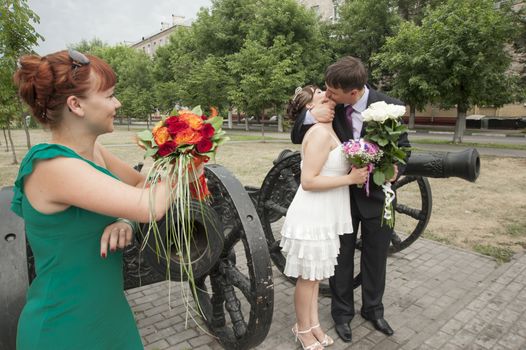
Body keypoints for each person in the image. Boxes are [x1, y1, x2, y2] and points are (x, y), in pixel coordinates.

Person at [11, 49, 202, 350]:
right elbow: (149, 204)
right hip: (63, 327)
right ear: (76, 105)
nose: (118, 103)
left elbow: (141, 184)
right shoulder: (51, 166)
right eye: (110, 95)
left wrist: (123, 218)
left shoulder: (94, 153)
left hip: (108, 315)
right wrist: (184, 150)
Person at [291, 57, 411, 343]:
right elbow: (298, 134)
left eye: (333, 92)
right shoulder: (331, 107)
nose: (328, 95)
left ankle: (373, 310)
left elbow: (404, 148)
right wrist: (311, 115)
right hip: (340, 198)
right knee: (340, 259)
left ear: (354, 93)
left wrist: (397, 169)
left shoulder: (387, 107)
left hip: (377, 199)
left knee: (376, 257)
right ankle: (342, 315)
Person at [281, 85, 369, 350]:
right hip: (313, 216)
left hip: (326, 216)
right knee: (307, 280)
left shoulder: (328, 126)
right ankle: (302, 329)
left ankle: (314, 324)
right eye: (320, 92)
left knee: (315, 278)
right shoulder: (318, 132)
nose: (328, 95)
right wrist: (351, 178)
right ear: (310, 105)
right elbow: (308, 181)